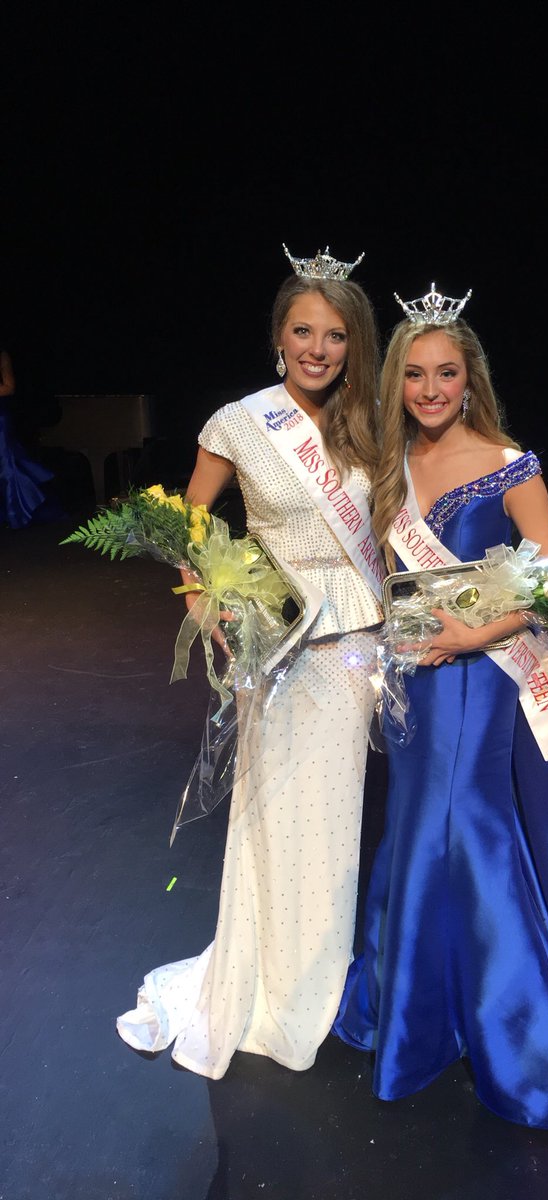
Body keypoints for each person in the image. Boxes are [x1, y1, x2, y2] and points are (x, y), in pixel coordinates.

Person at [332, 281, 548, 1129]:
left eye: (445, 374)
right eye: (413, 376)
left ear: (469, 376)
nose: (429, 391)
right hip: (415, 667)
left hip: (481, 674)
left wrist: (469, 634)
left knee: (464, 826)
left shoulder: (508, 463)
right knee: (417, 821)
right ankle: (426, 1000)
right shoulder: (389, 465)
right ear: (397, 384)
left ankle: (501, 1024)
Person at [117, 244, 385, 1079]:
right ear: (278, 337)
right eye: (302, 331)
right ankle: (266, 972)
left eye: (334, 335)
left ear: (354, 343)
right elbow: (183, 524)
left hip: (360, 636)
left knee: (335, 819)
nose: (317, 349)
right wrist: (204, 600)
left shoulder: (375, 418)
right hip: (282, 640)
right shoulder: (241, 421)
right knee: (272, 811)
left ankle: (314, 972)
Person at [0, 343, 54, 528]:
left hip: (0, 418)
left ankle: (14, 513)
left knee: (6, 464)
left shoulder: (2, 354)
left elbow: (9, 387)